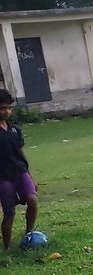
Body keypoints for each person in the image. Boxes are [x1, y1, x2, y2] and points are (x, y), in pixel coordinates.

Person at [0, 89, 38, 249]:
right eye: (3, 108)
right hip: (3, 177)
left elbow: (21, 153)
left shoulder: (14, 130)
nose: (7, 111)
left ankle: (29, 234)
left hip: (20, 172)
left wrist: (30, 176)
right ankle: (7, 247)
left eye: (9, 108)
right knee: (9, 213)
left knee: (33, 201)